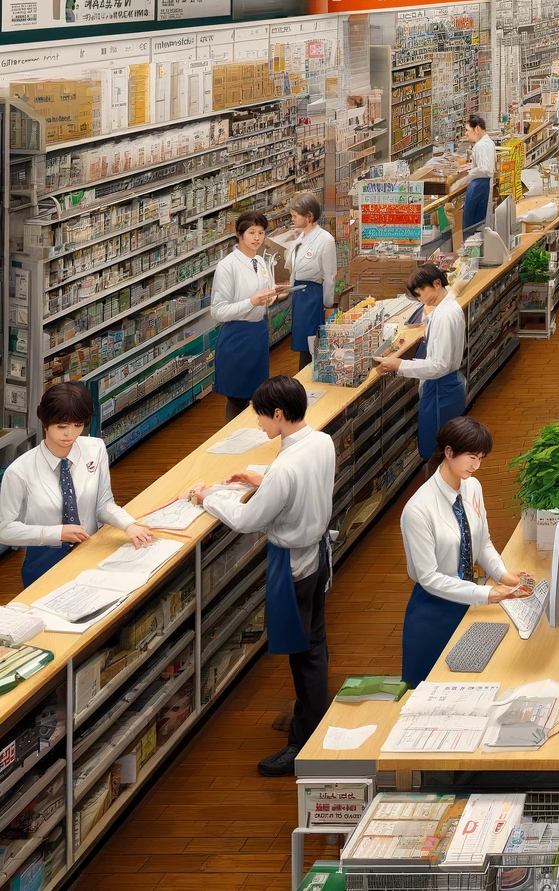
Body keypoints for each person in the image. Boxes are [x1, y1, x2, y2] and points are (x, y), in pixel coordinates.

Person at [185, 375, 335, 776]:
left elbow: (247, 520)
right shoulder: (320, 441)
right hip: (317, 556)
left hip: (292, 566)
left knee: (302, 654)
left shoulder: (285, 466)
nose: (258, 424)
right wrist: (261, 480)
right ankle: (314, 721)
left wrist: (208, 497)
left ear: (280, 414)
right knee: (315, 645)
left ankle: (303, 744)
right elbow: (300, 488)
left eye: (261, 417)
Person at [400, 417, 535, 686]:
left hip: (470, 599)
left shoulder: (472, 486)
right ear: (448, 452)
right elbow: (429, 578)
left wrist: (502, 574)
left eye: (481, 458)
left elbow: (482, 542)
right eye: (472, 457)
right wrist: (487, 592)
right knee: (430, 689)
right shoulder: (418, 510)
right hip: (434, 610)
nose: (477, 466)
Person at [0, 382, 154, 586]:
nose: (70, 435)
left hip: (91, 552)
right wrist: (57, 533)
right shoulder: (19, 471)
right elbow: (5, 530)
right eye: (62, 427)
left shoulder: (95, 449)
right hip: (44, 561)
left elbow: (103, 503)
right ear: (45, 422)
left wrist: (128, 524)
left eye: (78, 426)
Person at [378, 263, 467, 463]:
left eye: (422, 292)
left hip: (440, 389)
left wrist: (399, 365)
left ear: (437, 283)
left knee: (437, 451)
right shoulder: (446, 309)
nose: (422, 299)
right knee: (447, 446)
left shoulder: (444, 316)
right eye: (417, 296)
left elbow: (438, 365)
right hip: (446, 386)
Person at [211, 211, 280, 420]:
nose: (257, 238)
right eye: (251, 232)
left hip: (257, 333)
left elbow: (263, 292)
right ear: (239, 235)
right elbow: (218, 311)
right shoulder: (227, 266)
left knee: (258, 394)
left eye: (261, 232)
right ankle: (232, 444)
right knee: (236, 397)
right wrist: (252, 302)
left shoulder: (260, 261)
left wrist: (271, 297)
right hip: (237, 337)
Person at [284, 194, 337, 372]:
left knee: (311, 342)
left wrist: (327, 302)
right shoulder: (299, 239)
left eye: (295, 216)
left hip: (313, 294)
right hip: (299, 294)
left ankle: (309, 378)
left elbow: (329, 275)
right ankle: (304, 377)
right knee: (302, 342)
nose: (292, 219)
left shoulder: (325, 239)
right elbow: (294, 269)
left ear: (309, 216)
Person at [463, 114, 496, 233]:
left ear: (477, 129)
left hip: (480, 186)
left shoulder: (482, 145)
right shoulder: (487, 143)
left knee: (474, 226)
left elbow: (485, 169)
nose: (465, 134)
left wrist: (468, 174)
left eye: (467, 130)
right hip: (481, 185)